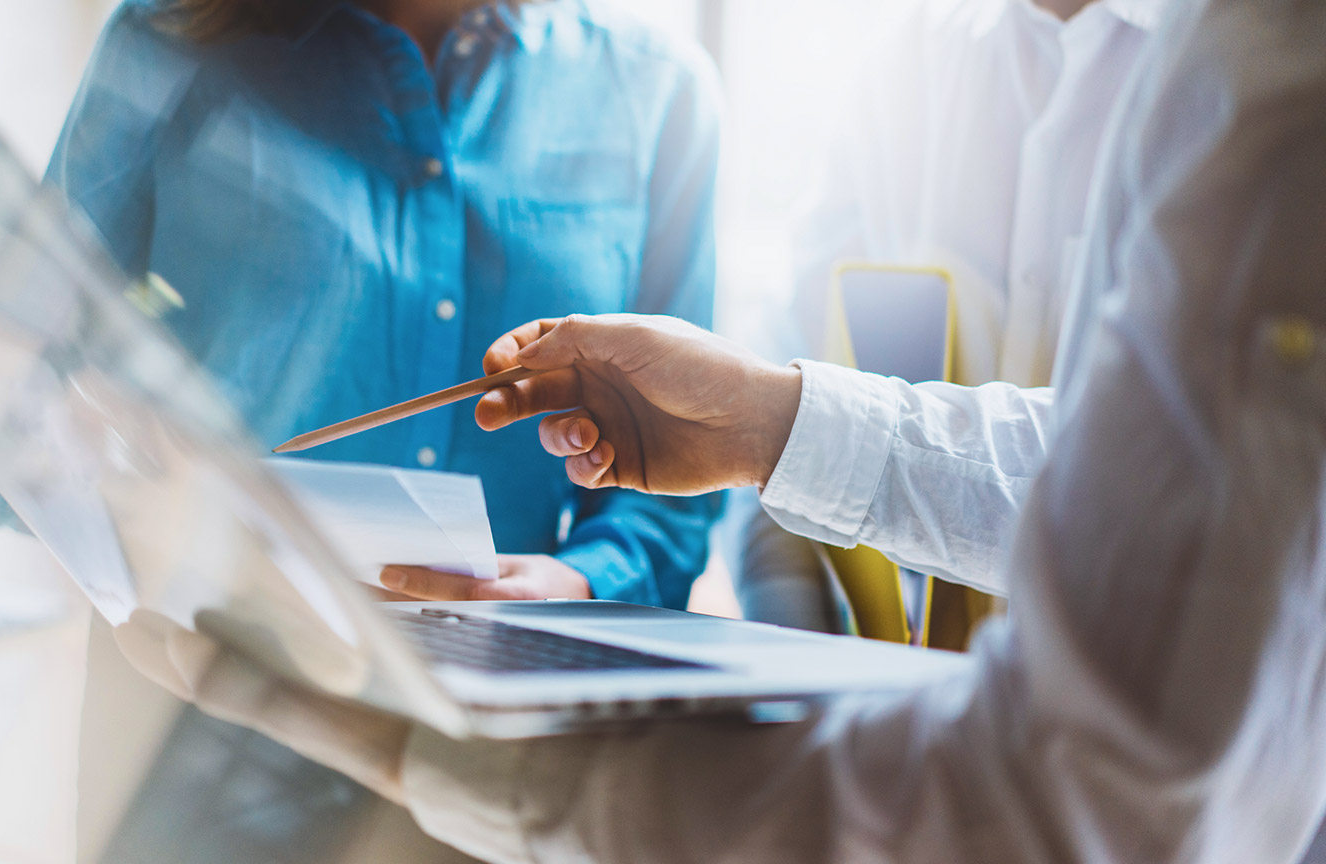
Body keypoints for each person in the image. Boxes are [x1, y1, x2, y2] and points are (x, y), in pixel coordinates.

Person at [115, 0, 1326, 859]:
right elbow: (1125, 470)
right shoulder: (163, 48)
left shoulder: (1268, 78)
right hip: (211, 712)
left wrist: (456, 727)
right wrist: (775, 419)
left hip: (547, 741)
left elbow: (1087, 810)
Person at [46, 0, 722, 608]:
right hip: (194, 656)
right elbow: (28, 360)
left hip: (503, 692)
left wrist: (586, 582)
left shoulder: (660, 90)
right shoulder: (165, 37)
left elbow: (671, 467)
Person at [730, 0, 1159, 634]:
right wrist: (796, 662)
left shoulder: (1253, 77)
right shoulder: (898, 68)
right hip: (907, 695)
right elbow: (793, 365)